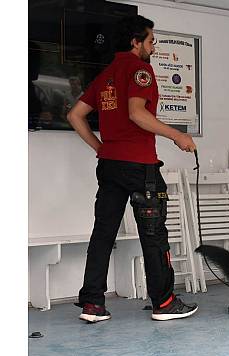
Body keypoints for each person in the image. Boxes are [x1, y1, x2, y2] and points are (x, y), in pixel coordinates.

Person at [66, 14, 198, 323]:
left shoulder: (107, 74)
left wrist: (102, 149)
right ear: (135, 42)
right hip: (140, 167)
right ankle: (164, 303)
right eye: (151, 40)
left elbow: (75, 115)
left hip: (110, 166)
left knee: (103, 234)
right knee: (153, 235)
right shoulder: (141, 70)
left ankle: (93, 305)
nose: (154, 47)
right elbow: (137, 114)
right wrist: (177, 135)